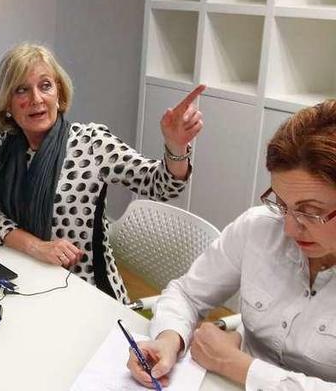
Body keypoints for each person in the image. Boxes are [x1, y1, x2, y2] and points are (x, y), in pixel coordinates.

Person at [129, 99, 336, 390]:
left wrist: (236, 365)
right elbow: (187, 294)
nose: (289, 228)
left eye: (310, 211)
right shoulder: (259, 228)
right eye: (282, 204)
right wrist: (168, 339)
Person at [0, 44, 201, 302]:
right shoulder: (7, 145)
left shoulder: (91, 142)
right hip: (25, 278)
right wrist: (37, 247)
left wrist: (176, 146)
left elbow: (163, 186)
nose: (36, 99)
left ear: (59, 94)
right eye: (21, 90)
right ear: (6, 102)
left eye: (45, 86)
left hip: (85, 293)